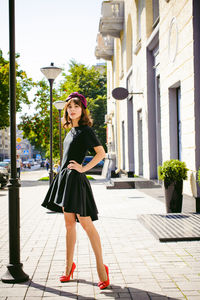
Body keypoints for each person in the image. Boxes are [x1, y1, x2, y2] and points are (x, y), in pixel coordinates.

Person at [41, 92, 109, 289]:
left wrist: (83, 168)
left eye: (76, 106)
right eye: (70, 106)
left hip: (77, 181)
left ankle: (101, 269)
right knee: (69, 225)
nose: (72, 109)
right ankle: (68, 267)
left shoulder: (86, 131)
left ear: (82, 110)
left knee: (86, 225)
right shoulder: (70, 131)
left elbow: (101, 153)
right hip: (65, 180)